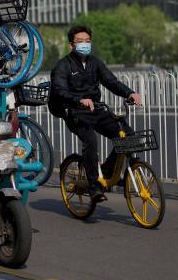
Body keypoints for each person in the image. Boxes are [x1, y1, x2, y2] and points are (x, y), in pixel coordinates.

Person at [50, 25, 142, 202]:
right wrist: (79, 100)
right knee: (91, 140)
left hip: (96, 109)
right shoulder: (63, 66)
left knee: (126, 134)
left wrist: (130, 93)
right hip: (75, 112)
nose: (84, 44)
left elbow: (111, 81)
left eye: (87, 41)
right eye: (80, 41)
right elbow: (59, 90)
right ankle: (93, 186)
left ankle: (108, 170)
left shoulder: (95, 62)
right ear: (71, 45)